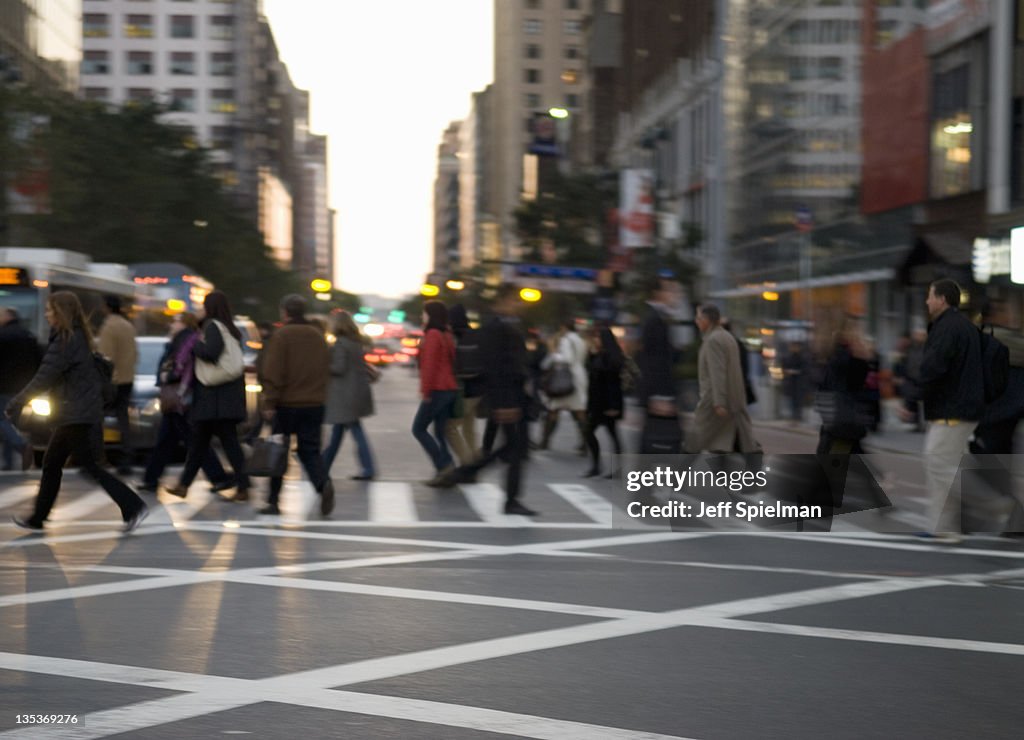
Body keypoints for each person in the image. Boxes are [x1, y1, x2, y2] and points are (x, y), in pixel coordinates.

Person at [4, 292, 148, 532]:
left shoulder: (65, 340)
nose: (47, 314)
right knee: (53, 463)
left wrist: (16, 403)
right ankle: (39, 517)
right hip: (77, 411)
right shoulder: (76, 337)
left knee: (89, 466)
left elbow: (44, 377)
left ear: (61, 312)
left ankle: (133, 505)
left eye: (50, 310)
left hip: (76, 413)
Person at [438, 284, 537, 516]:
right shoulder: (493, 328)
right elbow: (494, 368)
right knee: (515, 449)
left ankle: (468, 472)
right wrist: (503, 402)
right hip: (507, 398)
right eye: (514, 300)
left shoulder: (508, 325)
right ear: (501, 302)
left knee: (514, 448)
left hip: (515, 397)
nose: (518, 305)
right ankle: (506, 497)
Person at [163, 291, 251, 503]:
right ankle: (184, 485)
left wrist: (194, 345)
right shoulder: (229, 328)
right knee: (200, 443)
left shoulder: (213, 326)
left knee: (224, 443)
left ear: (211, 307)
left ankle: (243, 486)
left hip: (215, 398)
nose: (200, 309)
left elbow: (211, 353)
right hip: (220, 398)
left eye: (203, 305)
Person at [918, 278, 984, 541]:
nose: (927, 301)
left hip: (953, 409)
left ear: (942, 299)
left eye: (930, 296)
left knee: (937, 461)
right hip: (959, 406)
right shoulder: (963, 326)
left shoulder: (947, 328)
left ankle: (990, 502)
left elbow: (934, 367)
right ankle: (944, 528)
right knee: (946, 464)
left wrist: (914, 395)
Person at [259, 294, 333, 516]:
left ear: (285, 312)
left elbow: (273, 372)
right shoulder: (318, 335)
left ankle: (273, 501)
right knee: (310, 450)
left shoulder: (282, 336)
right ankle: (322, 484)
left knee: (278, 451)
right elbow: (325, 369)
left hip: (286, 403)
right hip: (314, 403)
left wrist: (269, 401)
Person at [139, 312, 230, 493]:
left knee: (193, 442)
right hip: (178, 399)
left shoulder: (185, 339)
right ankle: (151, 479)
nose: (172, 324)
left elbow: (181, 366)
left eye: (176, 321)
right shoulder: (181, 339)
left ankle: (219, 477)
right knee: (169, 441)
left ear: (184, 323)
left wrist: (168, 376)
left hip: (180, 399)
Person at [691, 304, 760, 453]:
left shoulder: (713, 340)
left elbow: (717, 372)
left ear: (707, 320)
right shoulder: (728, 337)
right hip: (733, 398)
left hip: (714, 401)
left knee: (695, 441)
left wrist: (719, 402)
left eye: (698, 317)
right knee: (725, 443)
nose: (696, 321)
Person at [322, 310, 377, 481]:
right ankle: (322, 466)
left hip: (345, 395)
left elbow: (339, 368)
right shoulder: (355, 342)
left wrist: (323, 364)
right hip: (355, 392)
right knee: (339, 432)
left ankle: (368, 468)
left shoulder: (340, 344)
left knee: (354, 431)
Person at [413, 300, 458, 485]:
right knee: (439, 432)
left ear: (431, 315)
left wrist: (425, 391)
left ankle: (444, 466)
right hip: (449, 389)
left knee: (418, 429)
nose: (422, 316)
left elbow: (429, 366)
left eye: (424, 313)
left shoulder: (432, 334)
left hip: (437, 389)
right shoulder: (446, 334)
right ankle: (448, 471)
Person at [815, 317, 871, 455]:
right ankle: (883, 477)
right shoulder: (841, 353)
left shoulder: (847, 356)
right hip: (840, 418)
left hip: (843, 420)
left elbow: (855, 383)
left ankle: (883, 477)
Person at [97, 294, 138, 475]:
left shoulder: (109, 327)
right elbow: (135, 353)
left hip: (112, 380)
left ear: (106, 307)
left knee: (96, 418)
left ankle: (97, 458)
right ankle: (126, 458)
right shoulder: (128, 326)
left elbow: (105, 358)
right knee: (123, 420)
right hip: (127, 378)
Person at [0, 307, 41, 471]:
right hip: (24, 387)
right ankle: (9, 464)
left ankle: (21, 446)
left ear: (7, 317)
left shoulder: (3, 336)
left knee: (2, 421)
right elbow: (39, 360)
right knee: (12, 423)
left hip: (3, 386)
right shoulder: (29, 335)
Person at [538, 322, 589, 452]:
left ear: (564, 327)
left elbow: (566, 359)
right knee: (579, 410)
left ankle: (545, 441)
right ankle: (585, 442)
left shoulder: (566, 340)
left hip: (565, 378)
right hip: (580, 377)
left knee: (553, 409)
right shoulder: (581, 340)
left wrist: (553, 352)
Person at [582, 325, 624, 478]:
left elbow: (613, 384)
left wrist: (614, 406)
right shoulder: (600, 355)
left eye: (598, 337)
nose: (595, 340)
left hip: (607, 403)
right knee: (602, 433)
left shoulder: (612, 357)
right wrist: (592, 355)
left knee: (608, 433)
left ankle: (604, 467)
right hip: (597, 402)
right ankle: (598, 466)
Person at [445, 304, 483, 467]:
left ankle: (467, 464)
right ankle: (475, 460)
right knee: (469, 428)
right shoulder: (475, 334)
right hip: (479, 390)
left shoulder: (453, 337)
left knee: (449, 428)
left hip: (463, 391)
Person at [782, 341, 808, 423]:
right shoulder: (789, 357)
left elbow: (804, 370)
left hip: (799, 383)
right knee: (792, 401)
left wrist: (793, 372)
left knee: (798, 401)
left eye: (795, 347)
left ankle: (797, 417)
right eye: (792, 346)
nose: (793, 348)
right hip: (791, 383)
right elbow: (785, 367)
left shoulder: (802, 357)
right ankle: (793, 417)